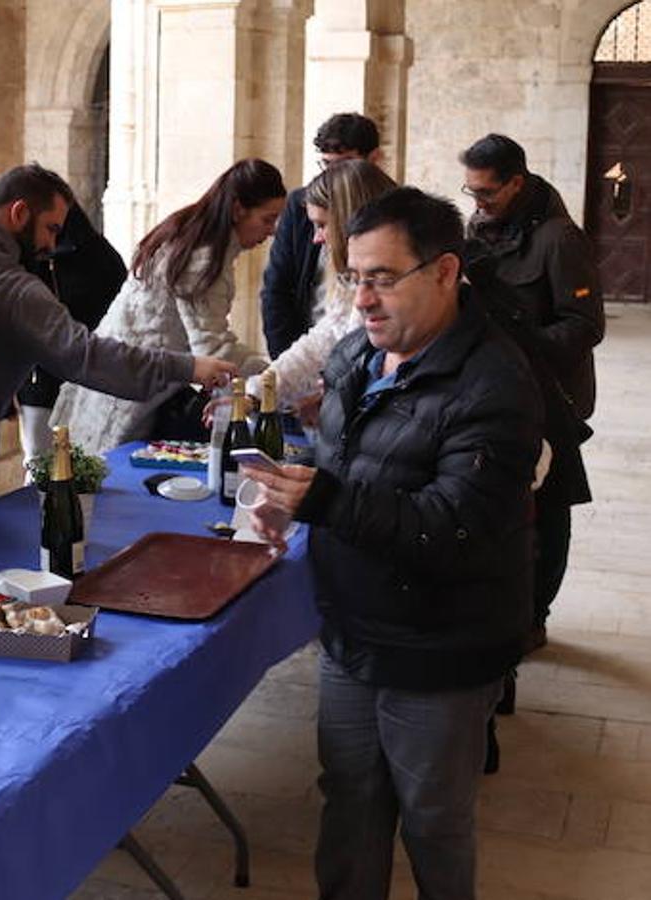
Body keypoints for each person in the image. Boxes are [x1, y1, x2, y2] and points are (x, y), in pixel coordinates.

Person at [242, 188, 542, 900]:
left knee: (433, 820)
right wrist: (294, 505)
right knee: (349, 802)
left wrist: (325, 500)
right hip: (354, 630)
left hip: (440, 645)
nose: (364, 299)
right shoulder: (354, 356)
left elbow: (452, 527)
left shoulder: (494, 386)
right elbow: (343, 467)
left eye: (382, 278)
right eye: (354, 277)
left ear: (444, 272)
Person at [0, 163, 237, 529]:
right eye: (51, 228)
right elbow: (87, 356)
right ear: (19, 212)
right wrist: (187, 367)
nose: (53, 245)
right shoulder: (12, 289)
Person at [460, 133, 602, 651]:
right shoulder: (481, 224)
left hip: (550, 395)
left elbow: (584, 326)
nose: (478, 203)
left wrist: (520, 349)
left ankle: (535, 617)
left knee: (549, 505)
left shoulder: (560, 239)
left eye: (488, 193)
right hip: (493, 387)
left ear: (516, 182)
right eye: (471, 192)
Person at [51, 159, 284, 455]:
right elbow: (212, 348)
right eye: (267, 219)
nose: (273, 230)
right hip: (128, 386)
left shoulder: (194, 234)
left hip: (121, 373)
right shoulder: (203, 256)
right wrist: (275, 377)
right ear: (238, 209)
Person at [223, 160, 398, 420]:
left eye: (323, 225)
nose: (316, 238)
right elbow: (322, 342)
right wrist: (258, 392)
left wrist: (335, 394)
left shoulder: (404, 288)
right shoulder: (347, 280)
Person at [261, 113, 381, 357]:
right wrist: (282, 367)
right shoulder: (301, 203)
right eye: (327, 165)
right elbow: (277, 289)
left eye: (345, 163)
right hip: (311, 350)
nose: (333, 175)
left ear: (374, 158)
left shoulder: (392, 215)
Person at [16, 202, 128, 466]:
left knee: (58, 462)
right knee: (43, 463)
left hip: (76, 376)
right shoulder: (101, 255)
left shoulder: (97, 258)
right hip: (46, 380)